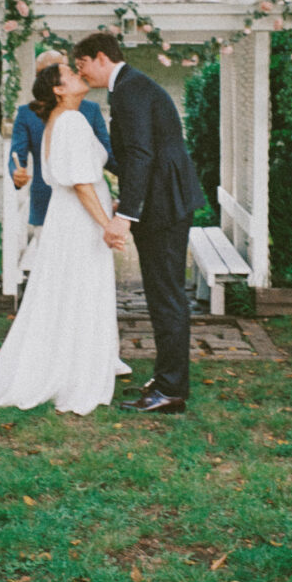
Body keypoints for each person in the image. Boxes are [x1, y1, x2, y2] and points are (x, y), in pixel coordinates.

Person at [0, 63, 124, 415]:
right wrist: (107, 224)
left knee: (70, 290)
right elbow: (80, 183)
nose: (78, 75)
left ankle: (72, 363)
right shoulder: (69, 120)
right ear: (58, 89)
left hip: (70, 216)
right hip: (79, 220)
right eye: (70, 74)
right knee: (81, 290)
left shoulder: (64, 118)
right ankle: (73, 373)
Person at [74, 32, 205, 414]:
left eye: (82, 65)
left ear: (99, 57)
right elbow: (134, 156)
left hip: (163, 205)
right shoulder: (129, 87)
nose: (82, 74)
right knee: (163, 294)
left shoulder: (130, 89)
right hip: (164, 200)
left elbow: (142, 155)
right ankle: (168, 379)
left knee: (166, 297)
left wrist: (125, 215)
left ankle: (171, 390)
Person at [9, 48, 118, 231]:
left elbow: (107, 154)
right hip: (47, 203)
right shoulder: (26, 114)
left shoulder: (90, 110)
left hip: (88, 208)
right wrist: (16, 173)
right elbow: (16, 156)